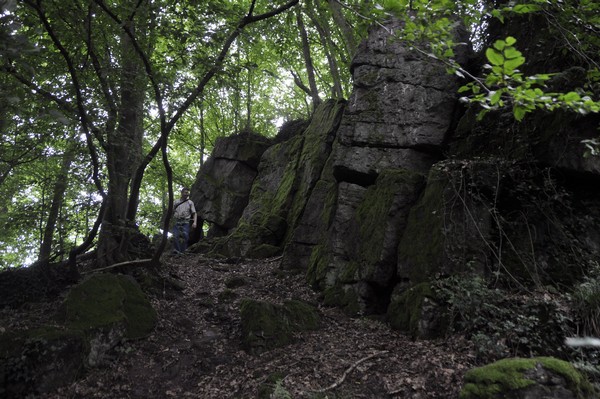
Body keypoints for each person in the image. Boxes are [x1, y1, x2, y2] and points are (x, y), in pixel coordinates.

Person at [172, 187, 197, 254]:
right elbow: (171, 211)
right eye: (185, 192)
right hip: (177, 220)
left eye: (188, 193)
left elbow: (194, 213)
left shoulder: (190, 202)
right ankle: (177, 251)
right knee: (175, 235)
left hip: (186, 221)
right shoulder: (176, 202)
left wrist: (195, 222)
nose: (187, 194)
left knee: (185, 236)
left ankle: (183, 251)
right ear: (182, 193)